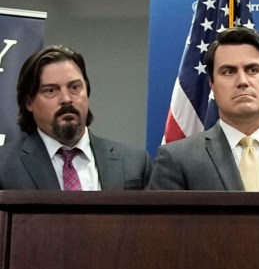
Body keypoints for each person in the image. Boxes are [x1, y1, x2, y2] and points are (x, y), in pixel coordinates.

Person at [149, 27, 259, 191]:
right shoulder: (176, 158)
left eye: (253, 70)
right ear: (212, 85)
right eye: (229, 72)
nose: (242, 81)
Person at [0, 45, 151, 190]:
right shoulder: (4, 166)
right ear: (29, 102)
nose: (66, 99)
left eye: (74, 87)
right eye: (51, 90)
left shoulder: (134, 163)